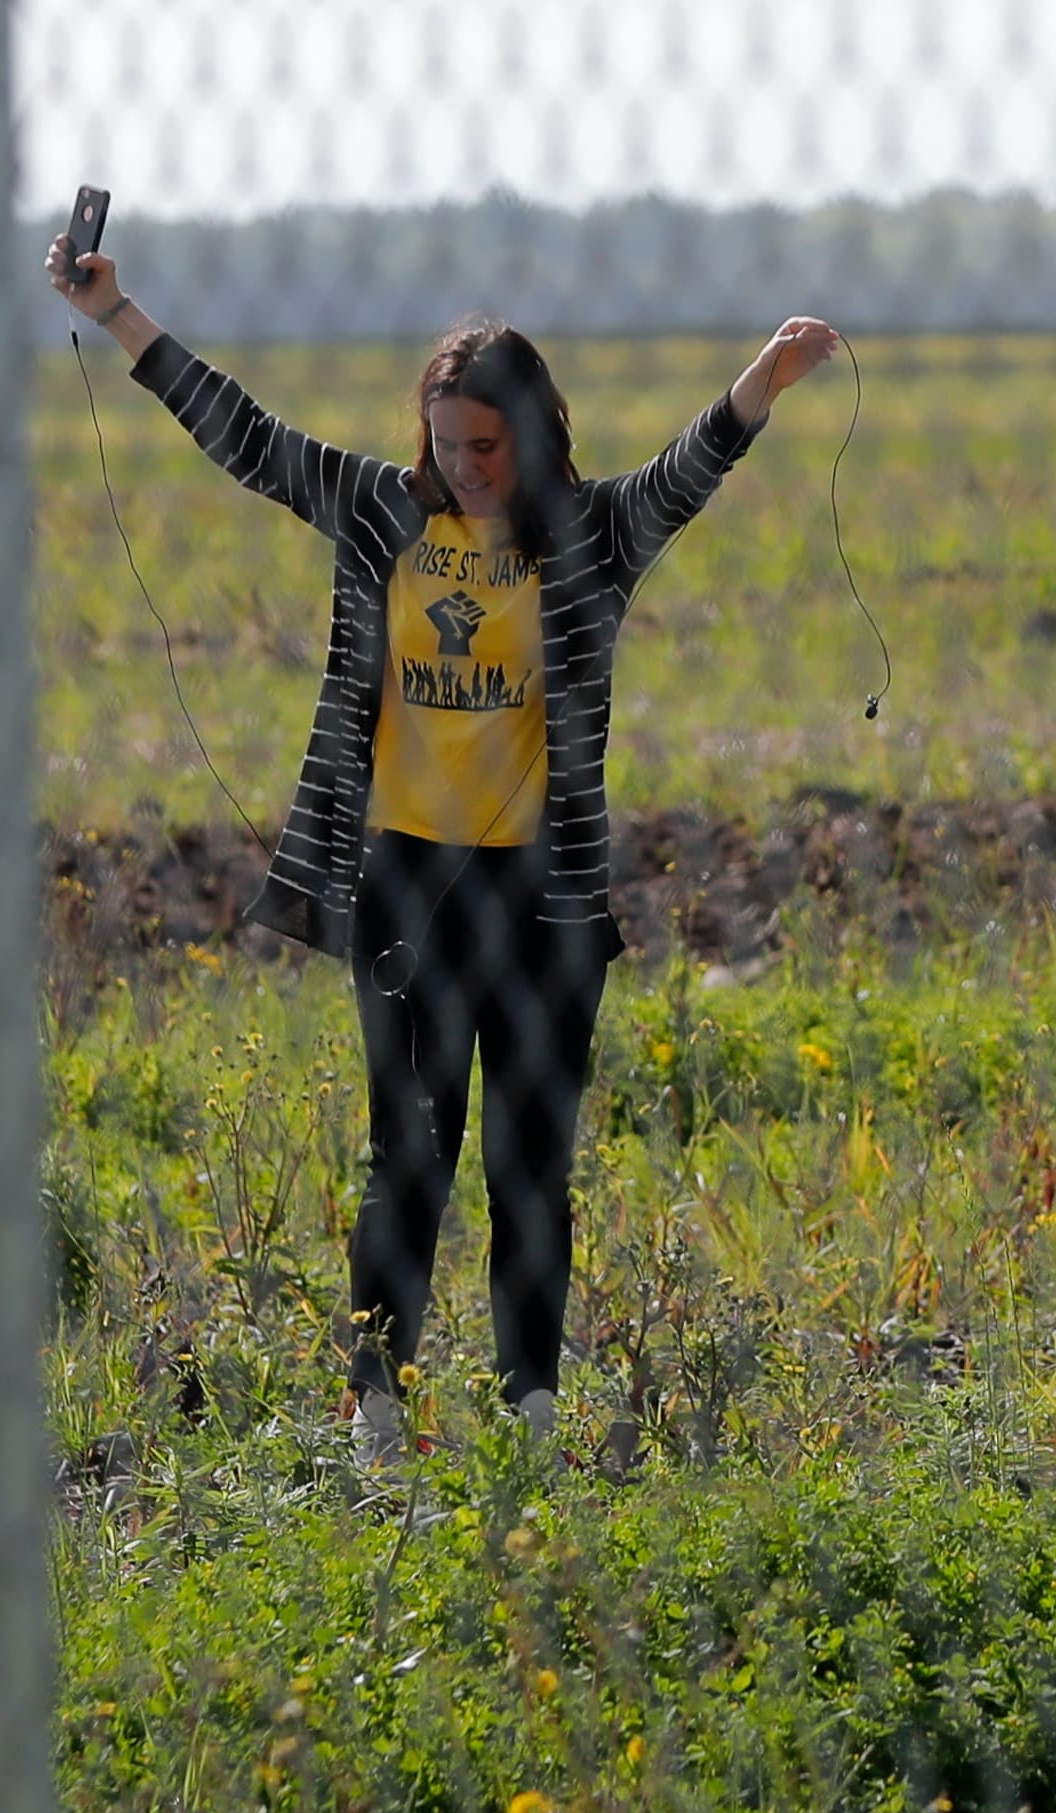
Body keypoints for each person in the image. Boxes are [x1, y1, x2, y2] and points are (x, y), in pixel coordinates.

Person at [46, 233, 844, 1460]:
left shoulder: (588, 537)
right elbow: (248, 437)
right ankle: (376, 1406)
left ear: (530, 433)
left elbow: (687, 473)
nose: (464, 468)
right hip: (406, 883)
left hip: (543, 900)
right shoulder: (381, 515)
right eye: (444, 444)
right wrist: (116, 315)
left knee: (533, 1159)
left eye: (486, 445)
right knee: (408, 1153)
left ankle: (531, 1412)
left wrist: (762, 382)